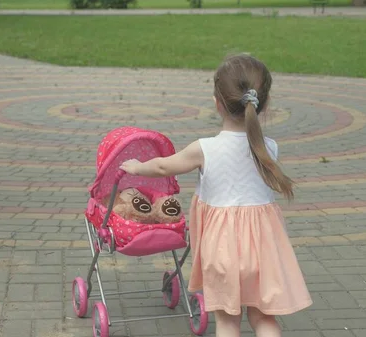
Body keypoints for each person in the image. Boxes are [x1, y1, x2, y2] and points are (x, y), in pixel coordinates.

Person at [120, 54, 312, 337]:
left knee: (227, 322)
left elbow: (163, 166)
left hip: (223, 249)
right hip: (265, 248)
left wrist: (136, 166)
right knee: (264, 319)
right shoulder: (269, 148)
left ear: (217, 103)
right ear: (264, 104)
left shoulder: (204, 149)